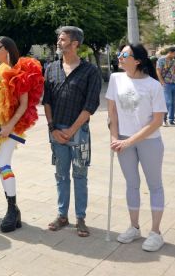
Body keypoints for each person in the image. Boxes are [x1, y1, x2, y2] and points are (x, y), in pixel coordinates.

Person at [0, 37, 43, 232]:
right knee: (1, 166)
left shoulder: (18, 71)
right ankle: (14, 210)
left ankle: (11, 209)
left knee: (4, 164)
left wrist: (9, 126)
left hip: (11, 127)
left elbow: (24, 104)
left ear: (8, 49)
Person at [107, 44, 167, 252]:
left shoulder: (153, 86)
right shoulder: (115, 79)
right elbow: (112, 112)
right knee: (131, 184)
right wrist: (115, 137)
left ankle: (156, 232)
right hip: (123, 140)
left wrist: (129, 141)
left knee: (154, 186)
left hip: (149, 141)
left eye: (124, 55)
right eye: (119, 54)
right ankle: (134, 227)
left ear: (138, 60)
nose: (119, 58)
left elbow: (157, 121)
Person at [43, 26, 101, 237]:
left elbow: (91, 105)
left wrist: (72, 130)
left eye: (63, 39)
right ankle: (62, 215)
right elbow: (46, 101)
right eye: (58, 38)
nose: (58, 42)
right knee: (60, 175)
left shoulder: (90, 71)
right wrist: (52, 128)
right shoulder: (50, 68)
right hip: (56, 132)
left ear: (75, 43)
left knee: (79, 175)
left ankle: (81, 218)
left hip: (79, 133)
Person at [156, 46, 175, 125]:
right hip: (166, 83)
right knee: (167, 102)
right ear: (170, 52)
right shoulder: (161, 60)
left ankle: (171, 120)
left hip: (174, 83)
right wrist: (162, 82)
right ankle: (163, 119)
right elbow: (158, 71)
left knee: (173, 102)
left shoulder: (173, 61)